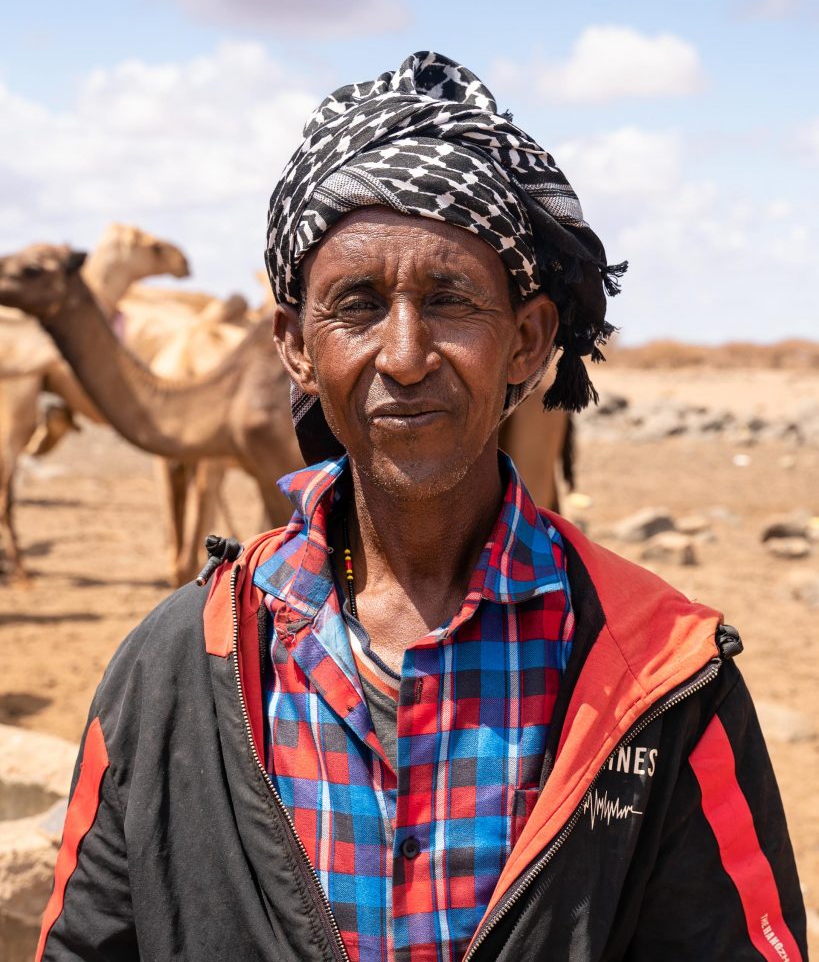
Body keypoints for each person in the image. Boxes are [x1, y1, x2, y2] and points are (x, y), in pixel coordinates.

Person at [37, 52, 806, 962]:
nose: (404, 355)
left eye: (449, 301)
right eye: (357, 305)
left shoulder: (660, 675)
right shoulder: (170, 670)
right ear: (294, 348)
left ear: (526, 341)